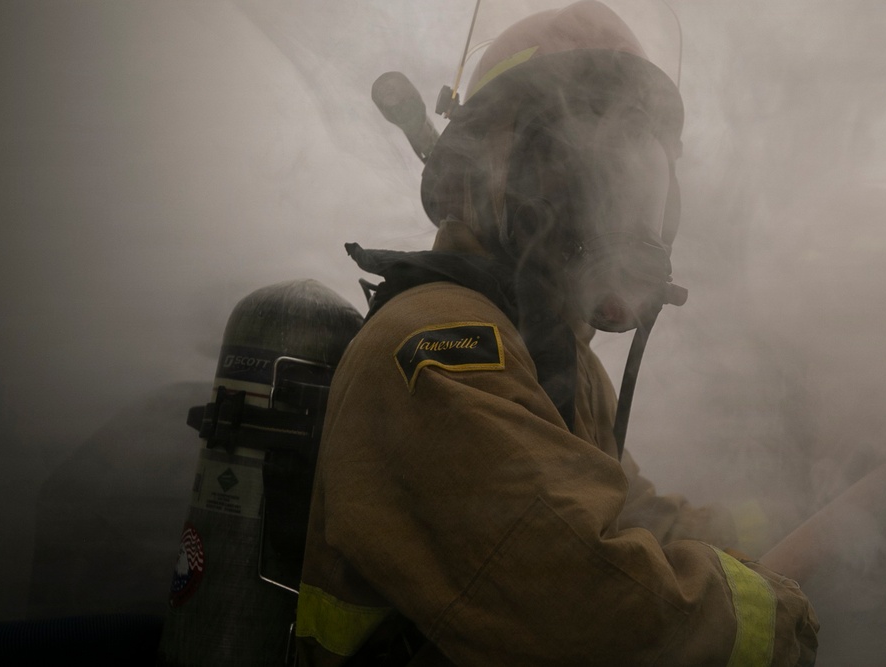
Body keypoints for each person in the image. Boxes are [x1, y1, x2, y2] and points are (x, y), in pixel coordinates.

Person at [295, 2, 819, 665]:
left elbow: (634, 515)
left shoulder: (548, 354)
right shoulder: (437, 349)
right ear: (479, 165)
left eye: (635, 163)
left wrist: (806, 514)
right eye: (580, 150)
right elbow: (591, 600)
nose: (615, 197)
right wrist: (788, 615)